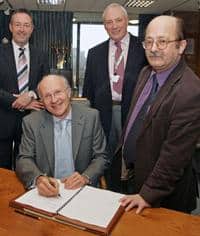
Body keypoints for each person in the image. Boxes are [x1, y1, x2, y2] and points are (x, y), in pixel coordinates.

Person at [109, 15, 200, 213]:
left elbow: (174, 157)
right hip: (134, 178)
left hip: (162, 196)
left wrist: (147, 194)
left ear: (181, 46)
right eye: (149, 42)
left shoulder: (190, 91)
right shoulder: (146, 73)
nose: (153, 48)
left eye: (162, 41)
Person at [82, 3, 147, 187]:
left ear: (127, 21)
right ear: (104, 26)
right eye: (109, 22)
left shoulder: (143, 49)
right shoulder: (94, 53)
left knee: (133, 158)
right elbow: (88, 89)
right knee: (106, 158)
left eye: (118, 20)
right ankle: (109, 193)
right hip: (104, 114)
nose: (114, 25)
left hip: (135, 114)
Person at [16, 74, 109, 197]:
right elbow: (24, 159)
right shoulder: (31, 122)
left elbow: (101, 157)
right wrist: (38, 179)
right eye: (47, 96)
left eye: (58, 92)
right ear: (42, 101)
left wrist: (85, 177)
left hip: (82, 190)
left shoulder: (91, 117)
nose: (54, 100)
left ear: (69, 92)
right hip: (48, 191)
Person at [0, 9, 49, 169]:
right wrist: (18, 101)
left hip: (31, 122)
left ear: (32, 29)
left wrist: (30, 95)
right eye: (18, 24)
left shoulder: (41, 55)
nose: (22, 29)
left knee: (27, 170)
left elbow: (45, 82)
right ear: (10, 27)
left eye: (26, 25)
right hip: (3, 120)